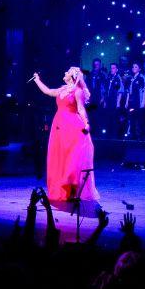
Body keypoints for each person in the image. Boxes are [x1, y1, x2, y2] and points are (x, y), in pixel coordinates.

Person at [33, 66, 101, 215]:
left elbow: (81, 109)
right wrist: (37, 80)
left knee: (72, 159)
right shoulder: (63, 89)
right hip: (59, 126)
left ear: (73, 76)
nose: (65, 72)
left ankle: (71, 189)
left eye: (68, 71)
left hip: (72, 126)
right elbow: (48, 91)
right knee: (60, 157)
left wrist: (87, 124)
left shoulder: (77, 91)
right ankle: (62, 190)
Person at [125, 62, 145, 139]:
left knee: (139, 119)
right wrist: (127, 101)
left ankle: (140, 136)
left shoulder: (141, 78)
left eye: (136, 67)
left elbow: (143, 91)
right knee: (131, 118)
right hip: (131, 102)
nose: (134, 68)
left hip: (138, 101)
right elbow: (128, 91)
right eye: (133, 67)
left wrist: (143, 102)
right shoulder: (130, 78)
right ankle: (132, 135)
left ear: (139, 69)